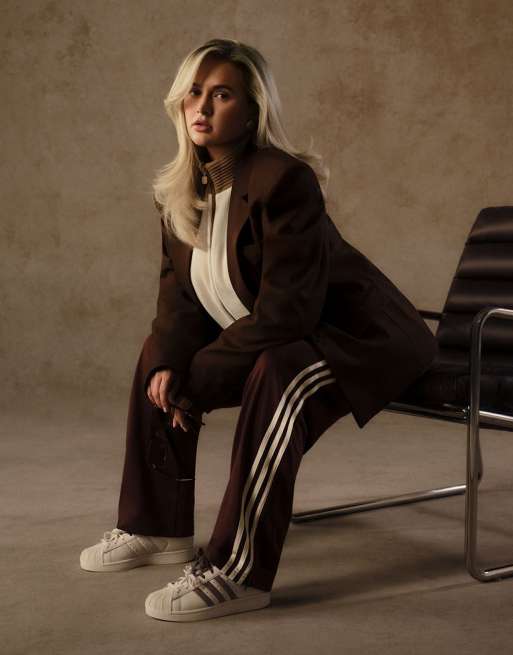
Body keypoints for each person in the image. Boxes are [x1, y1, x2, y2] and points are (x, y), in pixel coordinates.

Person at [79, 38, 438, 622]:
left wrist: (195, 380)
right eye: (194, 92)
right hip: (289, 335)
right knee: (157, 356)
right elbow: (178, 301)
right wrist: (172, 365)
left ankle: (237, 572)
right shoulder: (180, 191)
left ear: (252, 111)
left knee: (280, 372)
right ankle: (156, 525)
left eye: (222, 95)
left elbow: (287, 314)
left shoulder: (283, 180)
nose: (202, 107)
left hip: (361, 340)